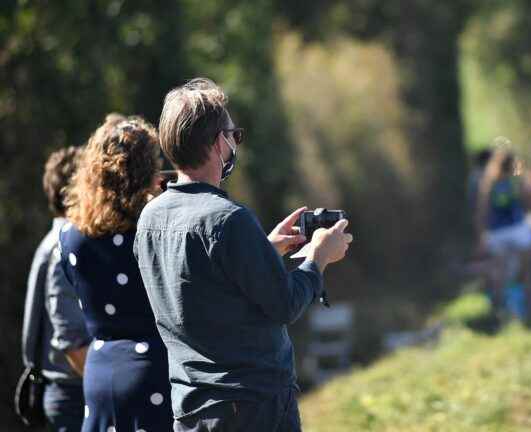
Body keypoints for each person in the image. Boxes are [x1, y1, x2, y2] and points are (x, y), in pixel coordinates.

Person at [134, 77, 352, 431]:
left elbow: (201, 285)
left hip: (190, 407)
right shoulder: (229, 219)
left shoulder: (150, 218)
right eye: (233, 134)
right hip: (251, 407)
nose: (235, 142)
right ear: (219, 143)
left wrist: (264, 249)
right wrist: (318, 257)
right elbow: (285, 304)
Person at [59, 114, 172, 431]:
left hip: (100, 375)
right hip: (154, 373)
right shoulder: (157, 232)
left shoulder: (71, 238)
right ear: (146, 171)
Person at [20, 146, 89, 431]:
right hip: (69, 391)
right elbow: (69, 336)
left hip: (61, 389)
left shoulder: (51, 241)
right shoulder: (63, 245)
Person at [475, 146, 531, 319]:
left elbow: (482, 211)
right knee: (527, 271)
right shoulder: (516, 181)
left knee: (500, 274)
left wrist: (481, 234)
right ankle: (529, 308)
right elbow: (529, 202)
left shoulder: (488, 183)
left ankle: (501, 311)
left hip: (497, 233)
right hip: (517, 229)